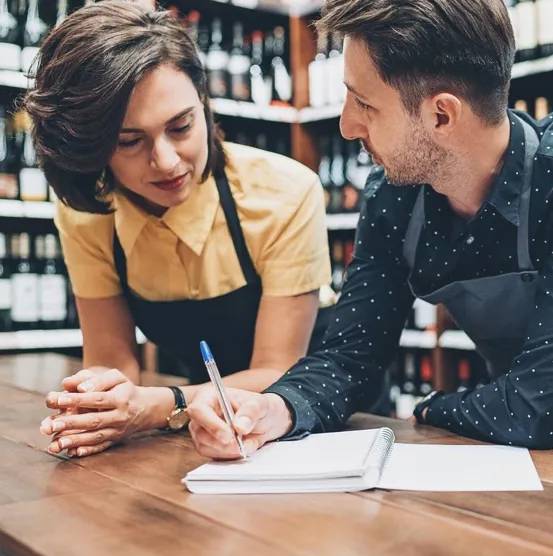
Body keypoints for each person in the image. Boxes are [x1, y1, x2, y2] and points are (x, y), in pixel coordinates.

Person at [189, 0, 553, 471]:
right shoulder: (394, 195)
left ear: (441, 115)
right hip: (521, 419)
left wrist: (431, 408)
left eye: (363, 103)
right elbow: (351, 358)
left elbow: (541, 407)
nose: (346, 126)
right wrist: (274, 408)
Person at [27, 1, 337, 458]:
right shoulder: (89, 215)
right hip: (199, 435)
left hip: (309, 420)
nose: (167, 161)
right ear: (92, 149)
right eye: (130, 141)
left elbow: (275, 371)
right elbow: (112, 360)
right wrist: (98, 403)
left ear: (205, 103)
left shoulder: (286, 193)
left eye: (181, 126)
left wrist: (159, 407)